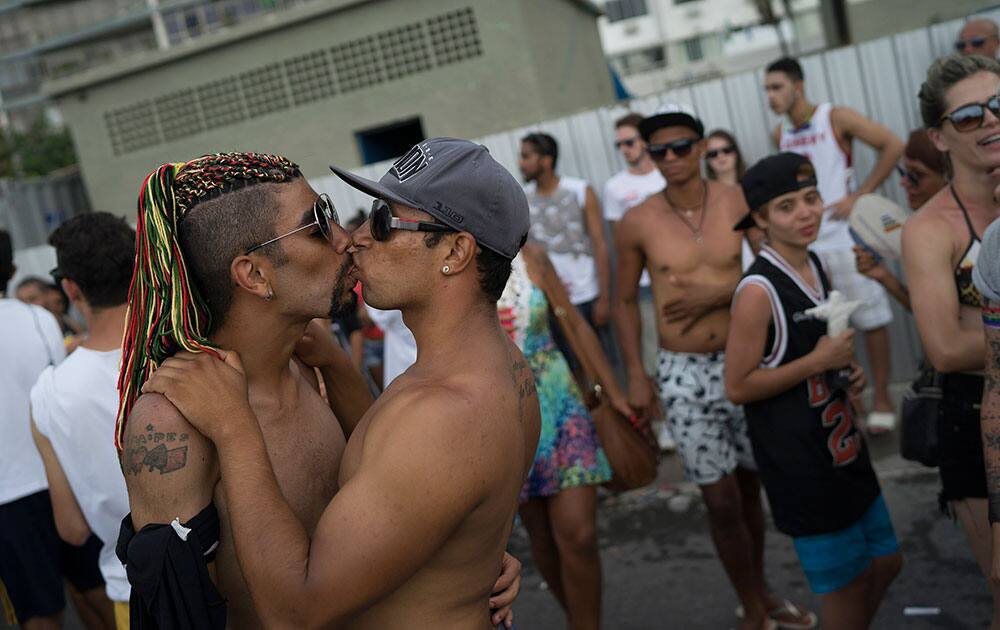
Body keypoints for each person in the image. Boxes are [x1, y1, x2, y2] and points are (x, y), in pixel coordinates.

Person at [114, 151, 523, 629]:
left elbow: (393, 484)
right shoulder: (174, 422)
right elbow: (179, 616)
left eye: (337, 215)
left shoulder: (312, 369)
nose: (348, 239)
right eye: (317, 226)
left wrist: (461, 559)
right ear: (255, 275)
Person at [614, 104, 815, 630]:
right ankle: (751, 604)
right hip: (682, 372)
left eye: (682, 146)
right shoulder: (637, 221)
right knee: (720, 498)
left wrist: (712, 293)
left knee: (750, 487)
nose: (671, 158)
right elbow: (617, 303)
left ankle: (762, 589)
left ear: (702, 147)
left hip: (744, 361)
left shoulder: (738, 200)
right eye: (659, 150)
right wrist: (636, 374)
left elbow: (776, 266)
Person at [726, 152, 901, 629]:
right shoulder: (758, 291)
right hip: (803, 468)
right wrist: (816, 362)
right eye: (786, 206)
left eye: (811, 198)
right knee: (845, 589)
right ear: (760, 219)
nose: (805, 213)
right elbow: (737, 385)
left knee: (885, 563)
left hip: (843, 450)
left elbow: (823, 357)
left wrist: (847, 376)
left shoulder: (817, 263)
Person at [904, 53, 1000, 628]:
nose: (990, 121)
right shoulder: (930, 230)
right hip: (975, 420)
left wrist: (979, 328)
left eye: (998, 106)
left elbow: (968, 335)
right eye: (968, 117)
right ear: (938, 137)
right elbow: (943, 348)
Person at [766, 56, 904, 433]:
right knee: (831, 326)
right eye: (766, 89)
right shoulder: (780, 134)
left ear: (799, 86)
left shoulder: (835, 117)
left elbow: (892, 144)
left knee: (872, 319)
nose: (770, 96)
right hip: (809, 247)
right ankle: (850, 401)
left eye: (776, 87)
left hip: (845, 237)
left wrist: (860, 195)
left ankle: (882, 398)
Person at [500, 242, 619, 630]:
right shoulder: (448, 265)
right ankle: (580, 620)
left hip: (560, 403)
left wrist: (613, 394)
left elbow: (575, 324)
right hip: (504, 415)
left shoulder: (530, 255)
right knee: (542, 538)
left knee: (579, 536)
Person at [29, 213, 134, 629]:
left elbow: (72, 529)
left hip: (135, 590)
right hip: (231, 576)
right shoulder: (190, 348)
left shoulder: (49, 394)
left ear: (70, 288)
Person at [0, 227, 73, 629]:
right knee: (95, 587)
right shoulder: (38, 317)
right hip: (60, 477)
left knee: (38, 611)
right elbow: (57, 392)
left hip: (7, 498)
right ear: (11, 269)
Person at [602, 112, 671, 449]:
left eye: (629, 142)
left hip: (674, 276)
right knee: (651, 353)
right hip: (643, 282)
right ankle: (665, 423)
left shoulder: (666, 175)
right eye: (619, 145)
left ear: (645, 140)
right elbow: (620, 242)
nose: (625, 149)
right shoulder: (616, 187)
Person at [519, 132, 615, 370]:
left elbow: (599, 243)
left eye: (526, 156)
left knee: (603, 365)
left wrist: (604, 296)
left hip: (587, 295)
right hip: (553, 301)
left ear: (546, 160)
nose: (521, 163)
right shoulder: (523, 199)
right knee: (573, 371)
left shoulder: (580, 190)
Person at [853, 128, 948, 311]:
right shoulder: (920, 232)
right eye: (902, 172)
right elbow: (927, 313)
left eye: (916, 175)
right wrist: (883, 276)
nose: (903, 182)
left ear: (949, 175)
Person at [704, 129, 761, 270]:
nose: (721, 156)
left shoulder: (755, 184)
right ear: (707, 160)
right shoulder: (703, 196)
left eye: (726, 150)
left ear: (736, 152)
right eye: (713, 154)